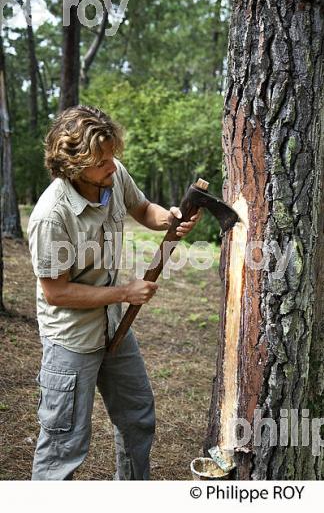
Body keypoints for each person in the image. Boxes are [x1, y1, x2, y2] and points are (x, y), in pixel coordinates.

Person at [27, 105, 200, 480]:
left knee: (137, 418)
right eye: (102, 161)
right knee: (63, 446)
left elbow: (142, 209)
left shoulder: (113, 174)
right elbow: (56, 293)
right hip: (71, 340)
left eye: (111, 156)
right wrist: (124, 292)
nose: (112, 165)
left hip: (113, 327)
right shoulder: (51, 216)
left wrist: (169, 218)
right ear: (72, 164)